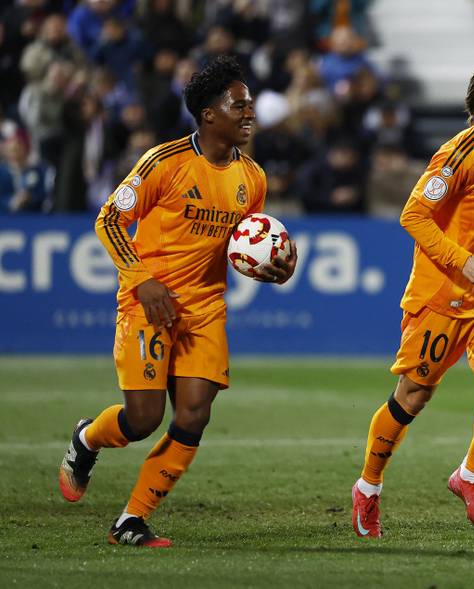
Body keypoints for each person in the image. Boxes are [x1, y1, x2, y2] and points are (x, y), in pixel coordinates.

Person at [58, 55, 296, 547]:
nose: (250, 113)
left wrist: (272, 266)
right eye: (240, 105)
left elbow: (242, 245)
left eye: (250, 104)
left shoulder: (252, 178)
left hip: (204, 308)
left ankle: (131, 521)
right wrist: (142, 278)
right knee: (142, 420)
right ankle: (87, 438)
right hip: (149, 304)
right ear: (210, 115)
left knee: (193, 415)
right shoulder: (162, 164)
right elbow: (108, 220)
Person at [350, 56, 474, 538]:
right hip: (442, 297)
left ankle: (470, 476)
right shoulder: (459, 154)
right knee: (414, 397)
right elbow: (413, 216)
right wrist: (462, 261)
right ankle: (368, 489)